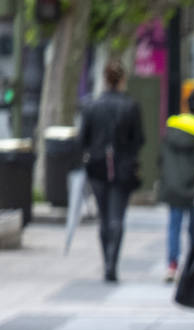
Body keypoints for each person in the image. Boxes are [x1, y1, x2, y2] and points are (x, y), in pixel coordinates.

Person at [78, 60, 145, 283]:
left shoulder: (92, 106)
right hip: (123, 167)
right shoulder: (131, 106)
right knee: (117, 216)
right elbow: (140, 139)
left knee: (104, 217)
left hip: (97, 165)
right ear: (122, 79)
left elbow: (82, 139)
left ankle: (105, 258)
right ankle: (111, 262)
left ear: (104, 79)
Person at [158, 90, 194, 283]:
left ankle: (172, 265)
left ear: (186, 104)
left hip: (173, 186)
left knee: (173, 225)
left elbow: (162, 157)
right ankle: (191, 264)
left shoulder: (172, 125)